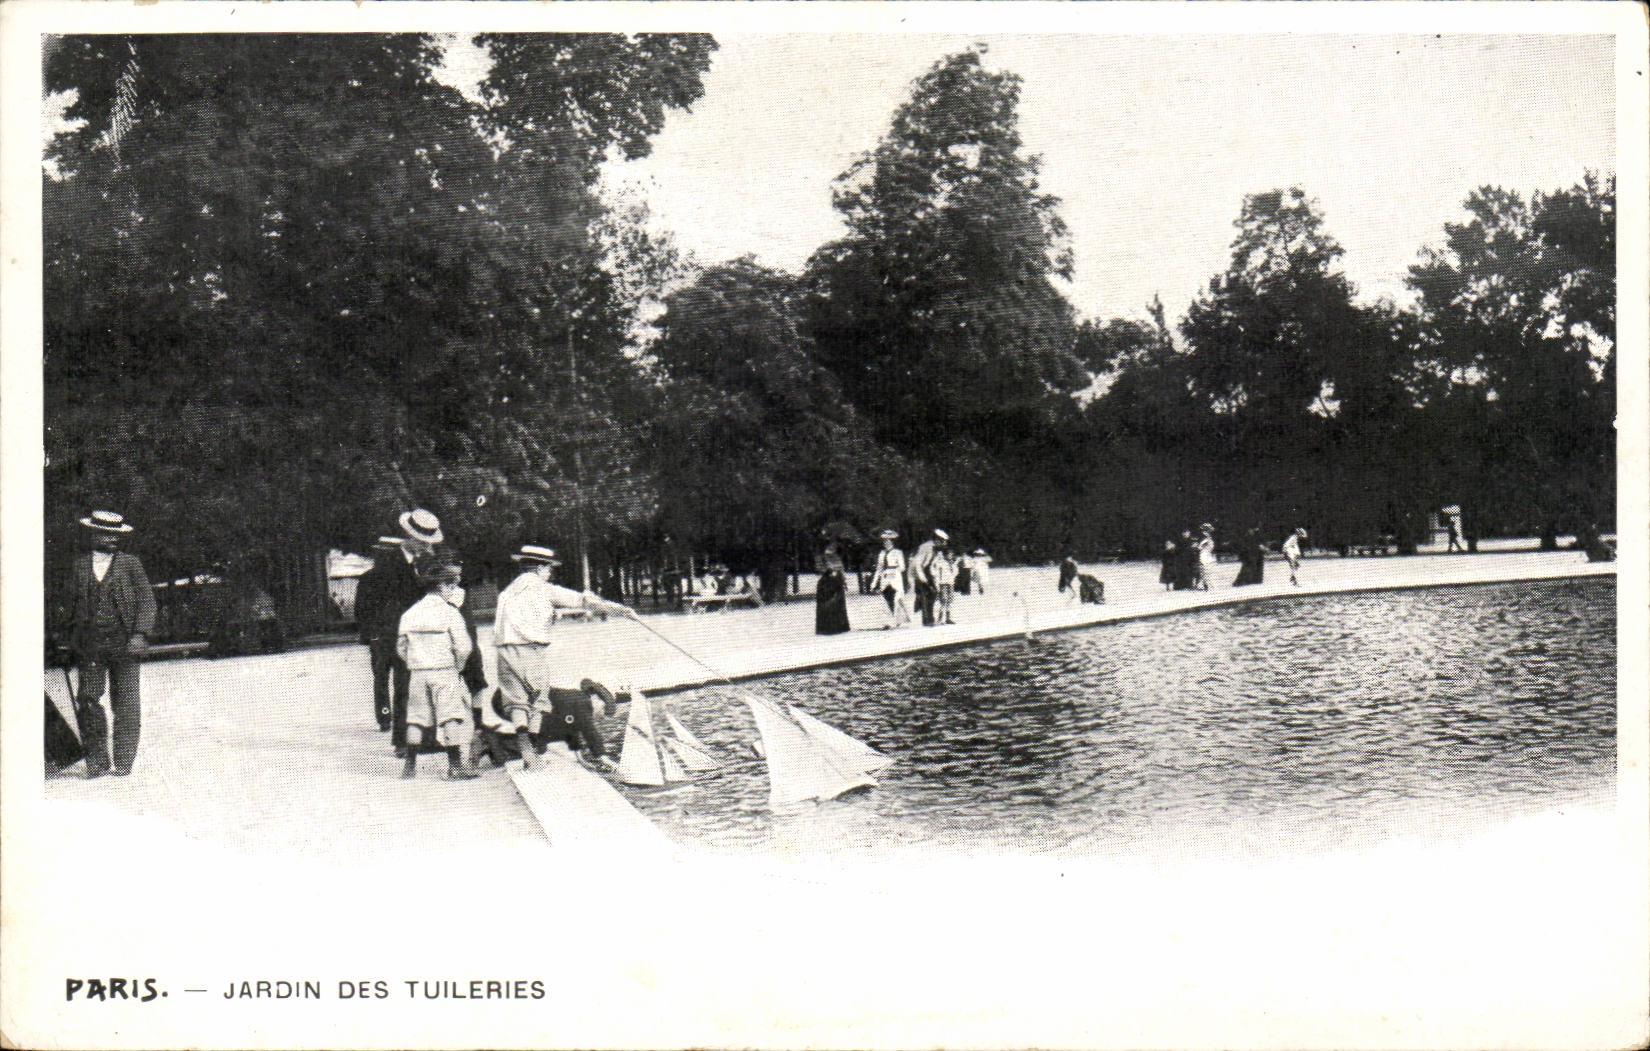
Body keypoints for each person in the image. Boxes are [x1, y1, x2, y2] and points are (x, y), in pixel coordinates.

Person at [491, 544, 635, 773]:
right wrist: (620, 610)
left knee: (516, 702)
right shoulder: (544, 589)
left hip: (503, 651)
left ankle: (525, 747)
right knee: (538, 701)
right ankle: (533, 750)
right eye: (548, 569)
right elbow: (583, 601)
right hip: (531, 650)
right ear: (539, 569)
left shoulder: (506, 593)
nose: (549, 573)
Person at [64, 510, 157, 778]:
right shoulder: (79, 565)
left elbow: (147, 602)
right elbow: (69, 606)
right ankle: (97, 760)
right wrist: (67, 642)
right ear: (93, 534)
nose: (113, 539)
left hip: (125, 644)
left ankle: (124, 761)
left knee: (126, 701)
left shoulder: (131, 564)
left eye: (117, 535)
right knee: (88, 699)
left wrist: (140, 634)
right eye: (106, 534)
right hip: (90, 645)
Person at [395, 559, 477, 780]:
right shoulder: (450, 613)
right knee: (450, 716)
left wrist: (414, 662)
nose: (454, 591)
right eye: (452, 586)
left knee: (415, 717)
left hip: (418, 673)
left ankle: (409, 767)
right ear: (443, 586)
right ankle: (455, 766)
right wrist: (458, 666)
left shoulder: (410, 613)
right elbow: (464, 646)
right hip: (444, 670)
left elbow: (401, 647)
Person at [383, 510, 442, 756]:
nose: (426, 546)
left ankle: (427, 738)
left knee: (428, 684)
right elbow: (387, 601)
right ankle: (402, 742)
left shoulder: (425, 560)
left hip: (425, 630)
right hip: (399, 631)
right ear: (408, 536)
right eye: (421, 540)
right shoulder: (389, 562)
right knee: (404, 686)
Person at [352, 536, 404, 731]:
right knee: (400, 678)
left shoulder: (367, 578)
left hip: (379, 637)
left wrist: (367, 634)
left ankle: (384, 717)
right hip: (398, 634)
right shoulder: (402, 578)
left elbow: (360, 610)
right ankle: (399, 717)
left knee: (381, 678)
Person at [870, 529, 910, 629]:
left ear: (892, 542)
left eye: (888, 541)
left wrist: (893, 571)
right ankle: (888, 621)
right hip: (885, 578)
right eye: (884, 541)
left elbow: (902, 567)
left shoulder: (897, 552)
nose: (886, 543)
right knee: (886, 598)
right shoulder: (881, 553)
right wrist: (874, 583)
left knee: (897, 598)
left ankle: (897, 620)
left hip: (895, 577)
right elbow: (879, 568)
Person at [911, 529, 946, 626]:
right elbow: (918, 564)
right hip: (919, 572)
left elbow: (932, 564)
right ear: (937, 540)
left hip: (928, 572)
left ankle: (929, 617)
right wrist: (922, 578)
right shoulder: (925, 547)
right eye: (942, 541)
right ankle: (927, 621)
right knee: (925, 596)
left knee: (933, 594)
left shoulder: (935, 548)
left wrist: (933, 576)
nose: (943, 544)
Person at [814, 541, 851, 635]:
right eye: (830, 546)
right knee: (827, 605)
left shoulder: (836, 557)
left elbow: (841, 570)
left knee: (838, 605)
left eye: (834, 546)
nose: (832, 547)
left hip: (837, 583)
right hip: (826, 583)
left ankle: (840, 627)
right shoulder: (820, 557)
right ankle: (827, 628)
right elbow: (819, 569)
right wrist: (829, 570)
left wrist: (844, 581)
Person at [931, 544, 958, 625]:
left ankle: (948, 618)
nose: (950, 556)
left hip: (950, 583)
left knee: (949, 600)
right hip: (942, 584)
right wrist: (937, 584)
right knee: (943, 600)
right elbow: (936, 573)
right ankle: (940, 618)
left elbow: (955, 573)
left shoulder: (952, 563)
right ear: (945, 555)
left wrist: (953, 566)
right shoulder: (940, 563)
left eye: (951, 555)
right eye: (949, 554)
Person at [1195, 524, 1216, 591]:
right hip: (1205, 555)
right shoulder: (1206, 539)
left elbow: (1200, 547)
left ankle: (1206, 585)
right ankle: (1204, 584)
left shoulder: (1207, 539)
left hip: (1205, 555)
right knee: (1203, 570)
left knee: (1205, 570)